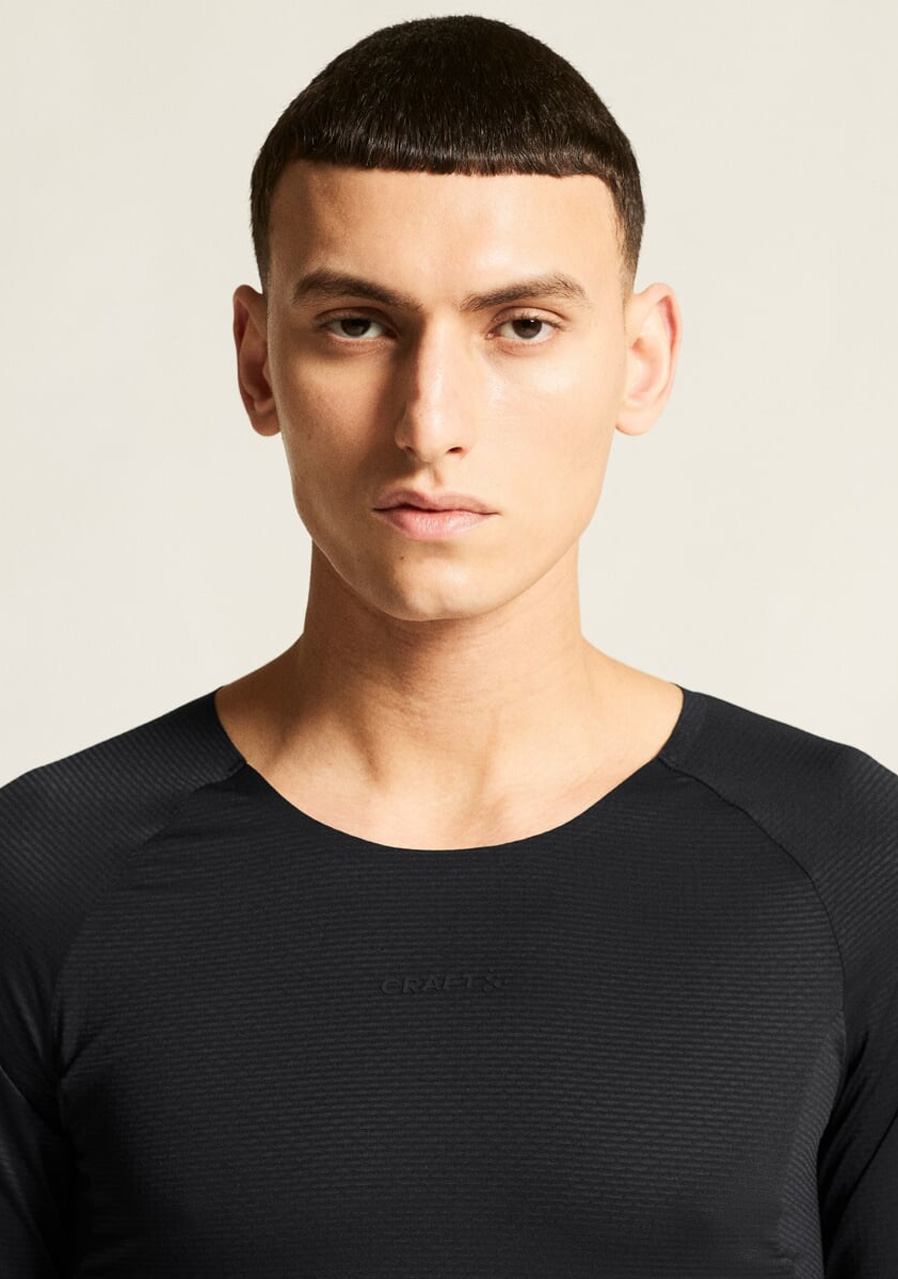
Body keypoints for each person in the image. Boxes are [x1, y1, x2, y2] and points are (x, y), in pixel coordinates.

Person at [1, 14, 895, 1277]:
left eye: (520, 325)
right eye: (356, 324)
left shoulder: (852, 866)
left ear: (640, 360)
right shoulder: (45, 876)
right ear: (258, 362)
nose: (431, 422)